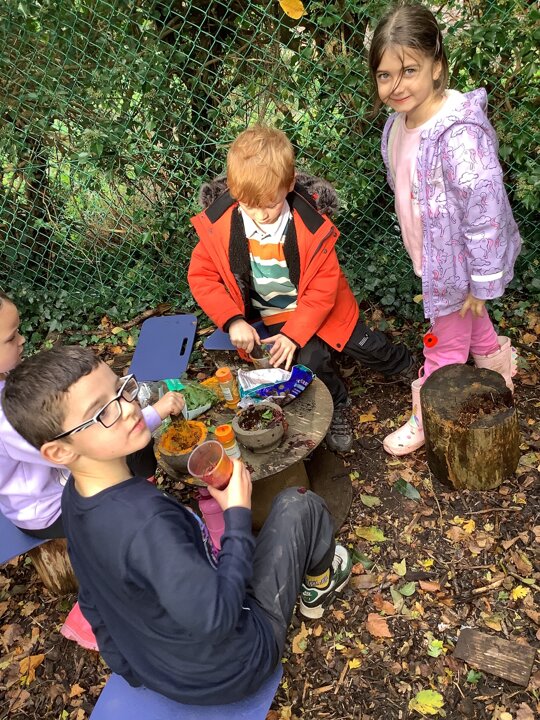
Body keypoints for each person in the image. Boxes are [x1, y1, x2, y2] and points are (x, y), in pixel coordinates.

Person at [3, 345, 352, 706]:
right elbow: (218, 618)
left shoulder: (74, 498)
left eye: (121, 389)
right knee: (299, 504)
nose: (128, 408)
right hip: (236, 665)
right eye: (102, 411)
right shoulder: (147, 522)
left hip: (160, 671)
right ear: (59, 451)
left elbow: (92, 597)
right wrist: (236, 515)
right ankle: (319, 586)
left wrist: (128, 667)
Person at [188, 125, 416, 453]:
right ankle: (336, 404)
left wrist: (296, 333)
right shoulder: (221, 227)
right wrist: (233, 320)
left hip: (328, 307)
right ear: (235, 193)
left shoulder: (310, 225)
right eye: (250, 206)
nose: (261, 215)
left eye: (270, 204)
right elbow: (202, 277)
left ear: (290, 184)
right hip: (276, 314)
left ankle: (404, 365)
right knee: (310, 361)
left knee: (366, 344)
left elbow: (323, 289)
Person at [368, 2, 521, 456]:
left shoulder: (459, 135)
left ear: (437, 66)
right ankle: (499, 374)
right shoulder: (398, 125)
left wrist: (481, 281)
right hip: (436, 258)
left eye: (409, 70)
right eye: (384, 75)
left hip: (458, 269)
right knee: (473, 321)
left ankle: (427, 416)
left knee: (444, 347)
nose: (396, 86)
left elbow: (485, 211)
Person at [0, 290, 185, 648]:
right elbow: (92, 442)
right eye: (11, 337)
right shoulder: (6, 420)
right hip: (45, 510)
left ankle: (140, 503)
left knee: (132, 456)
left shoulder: (7, 384)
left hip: (52, 482)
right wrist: (156, 412)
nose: (22, 340)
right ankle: (89, 617)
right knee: (128, 471)